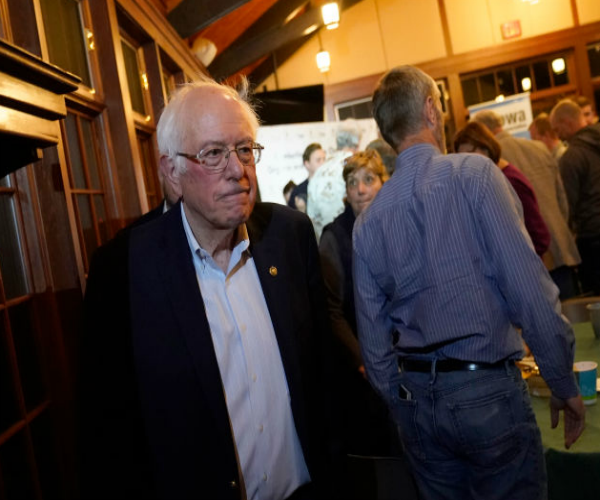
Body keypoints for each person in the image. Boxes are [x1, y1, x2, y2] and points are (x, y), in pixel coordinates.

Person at [79, 78, 335, 500]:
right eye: (214, 153)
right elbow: (108, 431)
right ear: (172, 173)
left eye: (245, 149)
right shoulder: (123, 268)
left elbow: (323, 378)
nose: (237, 169)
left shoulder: (289, 237)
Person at [353, 65, 585, 500]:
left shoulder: (368, 223)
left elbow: (374, 343)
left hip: (418, 400)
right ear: (430, 110)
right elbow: (529, 292)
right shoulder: (473, 175)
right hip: (487, 392)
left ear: (387, 131)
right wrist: (561, 380)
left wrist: (405, 405)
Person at [319, 150, 396, 457]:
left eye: (368, 180)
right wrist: (363, 360)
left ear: (383, 182)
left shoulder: (395, 224)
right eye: (353, 183)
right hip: (362, 368)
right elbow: (331, 311)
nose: (361, 189)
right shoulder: (334, 237)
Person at [473, 109, 581, 299]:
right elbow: (563, 200)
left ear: (482, 131)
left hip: (530, 258)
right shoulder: (539, 147)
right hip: (561, 247)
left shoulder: (490, 160)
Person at [454, 121, 551, 257]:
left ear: (486, 149)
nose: (467, 164)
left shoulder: (510, 181)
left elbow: (539, 237)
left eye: (471, 155)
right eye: (462, 159)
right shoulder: (491, 179)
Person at [550, 98, 600, 294]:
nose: (557, 135)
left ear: (567, 123)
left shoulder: (572, 156)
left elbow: (567, 204)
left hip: (592, 238)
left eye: (557, 129)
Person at [307, 125, 361, 240]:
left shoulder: (320, 170)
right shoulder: (357, 164)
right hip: (353, 239)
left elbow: (310, 215)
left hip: (326, 242)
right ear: (357, 143)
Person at [287, 143, 326, 212]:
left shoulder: (334, 186)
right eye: (318, 160)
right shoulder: (298, 192)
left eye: (324, 159)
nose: (323, 163)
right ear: (307, 164)